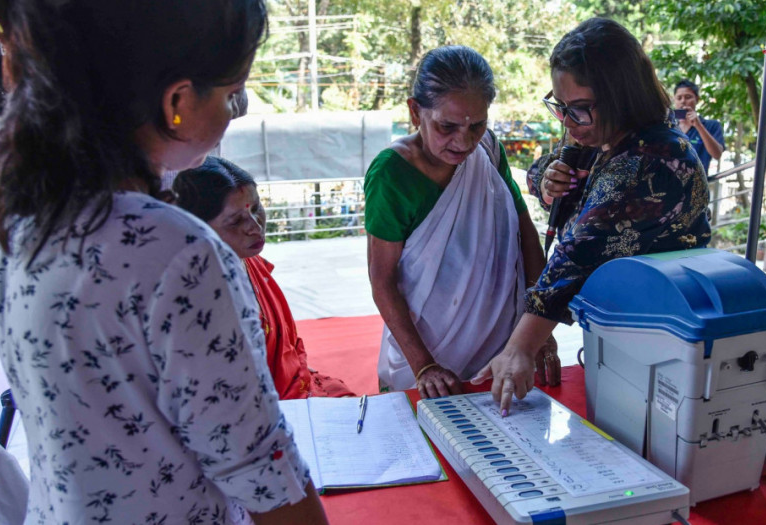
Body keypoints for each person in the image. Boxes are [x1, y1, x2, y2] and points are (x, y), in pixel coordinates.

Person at [0, 1, 327, 524]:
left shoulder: (21, 220)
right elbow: (262, 475)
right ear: (177, 102)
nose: (239, 112)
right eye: (234, 94)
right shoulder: (173, 249)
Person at [472, 18, 712, 413]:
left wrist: (519, 348)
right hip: (622, 329)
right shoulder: (603, 134)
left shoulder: (651, 159)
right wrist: (546, 180)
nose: (567, 122)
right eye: (560, 106)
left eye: (579, 109)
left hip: (669, 341)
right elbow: (547, 168)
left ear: (622, 96)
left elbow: (577, 251)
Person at [364, 46, 558, 399]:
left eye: (477, 124)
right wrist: (424, 365)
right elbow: (382, 279)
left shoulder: (487, 150)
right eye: (447, 126)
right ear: (414, 112)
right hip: (427, 348)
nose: (464, 141)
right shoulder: (393, 173)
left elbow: (524, 231)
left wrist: (535, 333)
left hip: (501, 345)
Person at [174, 156, 354, 399]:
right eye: (236, 220)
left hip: (296, 386)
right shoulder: (197, 300)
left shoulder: (251, 262)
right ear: (198, 227)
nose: (255, 226)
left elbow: (288, 348)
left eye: (257, 208)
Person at [674, 79, 725, 175]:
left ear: (697, 99)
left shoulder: (711, 125)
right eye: (679, 98)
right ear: (674, 100)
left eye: (688, 97)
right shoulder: (669, 126)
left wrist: (698, 125)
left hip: (697, 186)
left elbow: (717, 154)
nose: (683, 101)